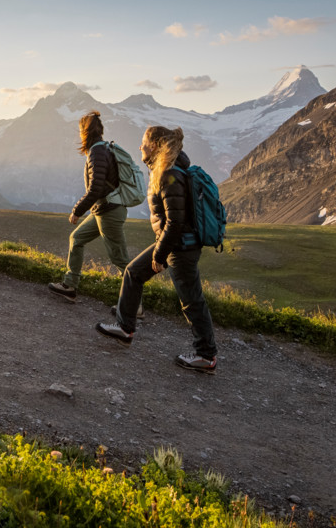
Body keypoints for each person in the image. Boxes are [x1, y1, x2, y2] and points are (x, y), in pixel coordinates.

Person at [95, 125, 218, 373]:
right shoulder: (168, 169)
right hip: (174, 242)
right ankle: (125, 327)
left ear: (155, 146)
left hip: (179, 246)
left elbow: (175, 221)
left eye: (143, 143)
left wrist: (160, 255)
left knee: (191, 300)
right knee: (133, 272)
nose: (140, 147)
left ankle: (206, 356)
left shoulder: (169, 174)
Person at [47, 110, 132, 302]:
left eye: (80, 131)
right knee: (76, 238)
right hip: (102, 210)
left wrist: (77, 211)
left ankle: (135, 306)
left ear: (85, 132)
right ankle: (70, 286)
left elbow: (96, 188)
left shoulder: (97, 152)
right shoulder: (102, 148)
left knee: (120, 259)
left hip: (110, 212)